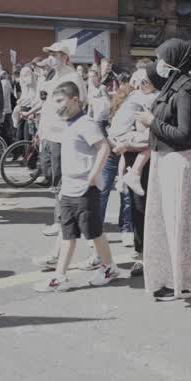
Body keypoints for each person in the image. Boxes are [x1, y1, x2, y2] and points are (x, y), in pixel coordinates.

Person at [139, 39, 191, 301]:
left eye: (163, 57)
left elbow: (185, 134)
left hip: (178, 161)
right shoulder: (173, 85)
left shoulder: (186, 88)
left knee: (177, 225)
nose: (159, 63)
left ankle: (182, 282)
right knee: (169, 223)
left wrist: (152, 122)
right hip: (166, 160)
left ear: (174, 59)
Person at [34, 82, 125, 291]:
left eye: (60, 101)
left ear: (74, 100)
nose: (56, 106)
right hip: (68, 189)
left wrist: (94, 174)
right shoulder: (68, 124)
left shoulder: (86, 123)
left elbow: (103, 147)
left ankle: (109, 267)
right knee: (68, 235)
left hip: (85, 189)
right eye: (54, 101)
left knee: (93, 232)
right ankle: (60, 276)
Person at [34, 40, 84, 252]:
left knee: (61, 179)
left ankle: (61, 219)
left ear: (65, 57)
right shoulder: (53, 76)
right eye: (49, 53)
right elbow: (46, 103)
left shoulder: (73, 77)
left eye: (55, 54)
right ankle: (63, 217)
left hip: (62, 136)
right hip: (48, 134)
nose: (51, 57)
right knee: (52, 175)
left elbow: (81, 102)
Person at [103, 70, 156, 249]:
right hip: (123, 139)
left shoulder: (133, 97)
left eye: (145, 82)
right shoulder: (143, 97)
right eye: (139, 81)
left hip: (121, 141)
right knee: (148, 145)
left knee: (129, 193)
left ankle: (123, 180)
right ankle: (131, 174)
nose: (142, 84)